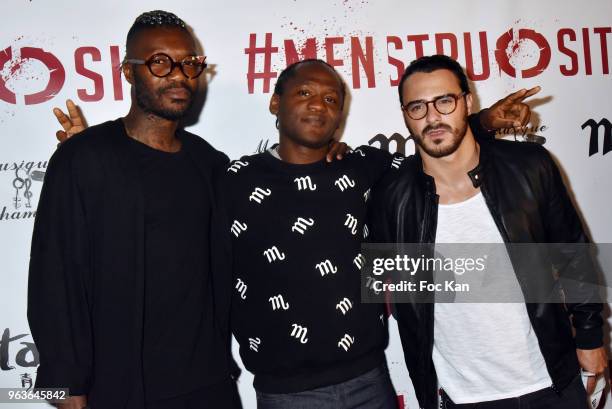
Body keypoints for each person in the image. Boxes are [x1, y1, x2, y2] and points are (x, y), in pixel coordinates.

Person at [28, 10, 241, 409]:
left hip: (208, 384)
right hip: (121, 389)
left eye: (190, 63)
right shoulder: (84, 159)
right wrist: (65, 383)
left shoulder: (210, 163)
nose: (179, 75)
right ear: (128, 71)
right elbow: (54, 277)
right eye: (160, 62)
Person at [368, 54, 606, 409]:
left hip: (551, 381)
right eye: (417, 107)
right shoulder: (391, 195)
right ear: (405, 115)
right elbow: (395, 292)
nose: (432, 117)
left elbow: (573, 254)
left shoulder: (529, 167)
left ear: (468, 102)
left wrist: (590, 337)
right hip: (463, 395)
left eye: (444, 101)